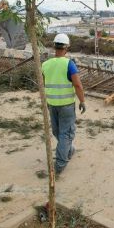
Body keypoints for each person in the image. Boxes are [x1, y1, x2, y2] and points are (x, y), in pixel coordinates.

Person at [41, 33, 86, 175]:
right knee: (65, 133)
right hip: (66, 105)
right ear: (67, 47)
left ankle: (69, 150)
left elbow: (44, 83)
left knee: (58, 131)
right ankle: (59, 165)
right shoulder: (69, 64)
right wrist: (82, 101)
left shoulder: (45, 64)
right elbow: (78, 85)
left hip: (52, 104)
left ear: (54, 46)